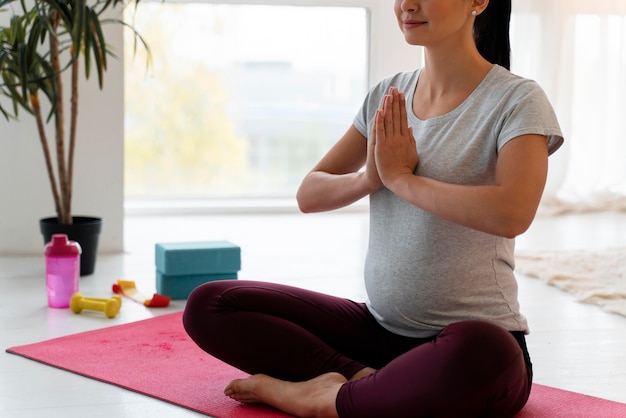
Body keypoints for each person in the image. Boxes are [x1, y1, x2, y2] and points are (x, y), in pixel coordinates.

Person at [183, 0, 564, 416]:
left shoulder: (516, 99)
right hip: (377, 333)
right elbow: (309, 193)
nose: (407, 4)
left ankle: (321, 401)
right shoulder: (387, 95)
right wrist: (371, 177)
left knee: (488, 353)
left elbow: (513, 213)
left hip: (469, 343)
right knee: (210, 303)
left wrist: (404, 180)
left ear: (478, 2)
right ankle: (360, 381)